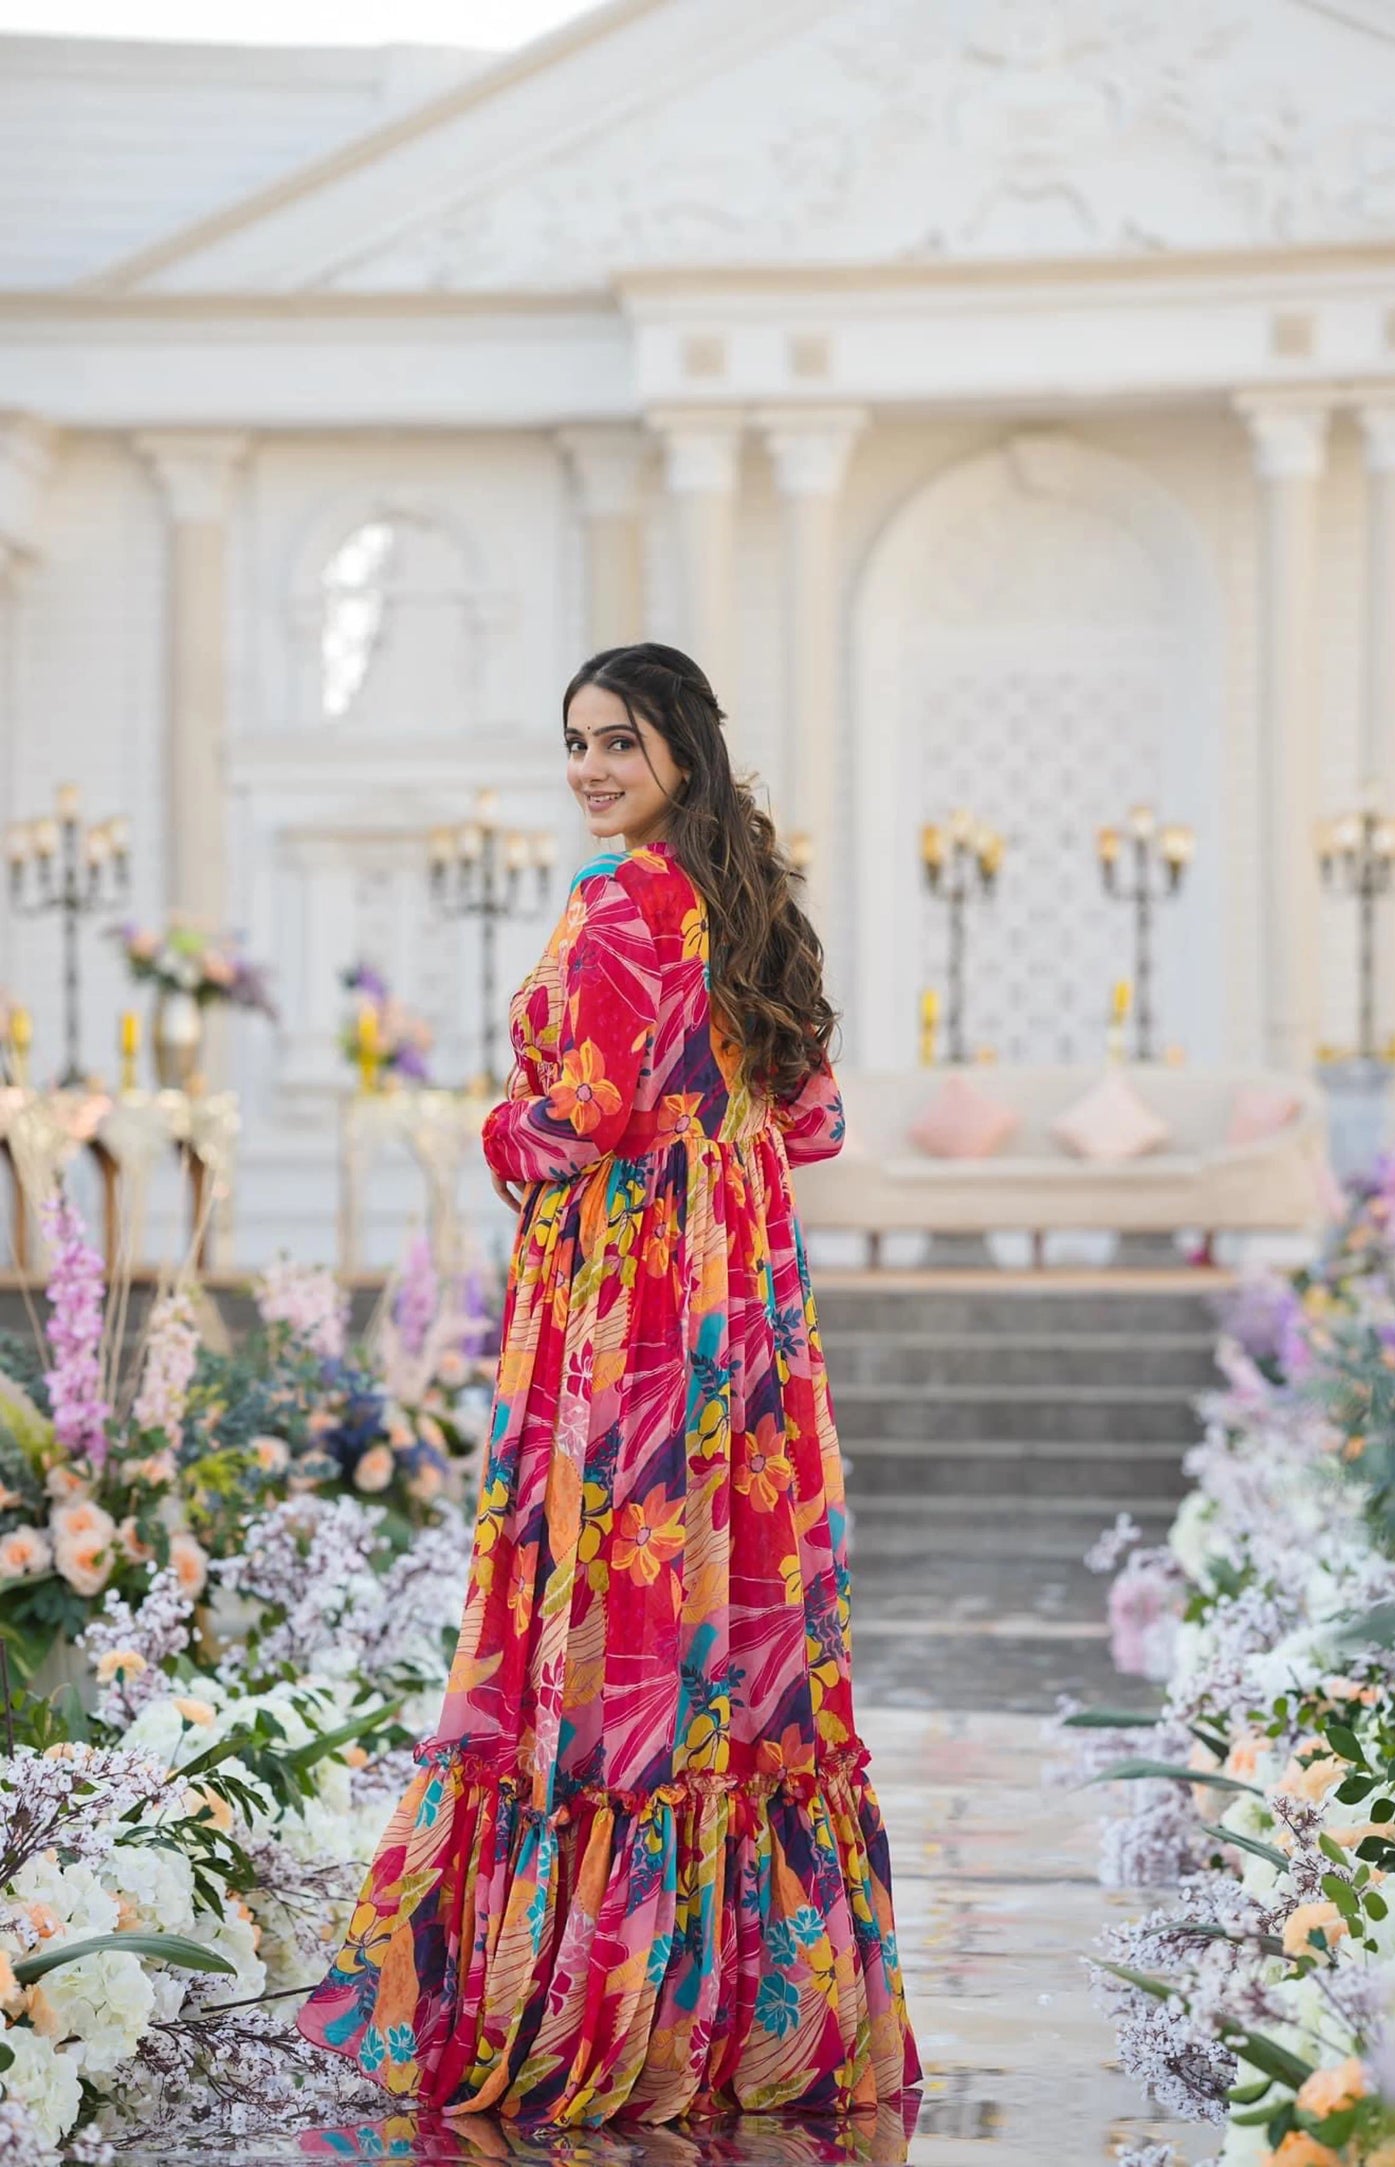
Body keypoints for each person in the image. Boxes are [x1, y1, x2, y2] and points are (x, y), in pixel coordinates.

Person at [298, 643, 920, 2128]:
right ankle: (748, 2020)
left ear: (681, 751)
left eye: (617, 743)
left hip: (631, 1300)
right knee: (723, 1602)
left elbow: (576, 1115)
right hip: (739, 1298)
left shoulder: (615, 899)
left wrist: (501, 1126)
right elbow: (813, 1117)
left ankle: (589, 2005)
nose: (589, 767)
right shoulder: (750, 901)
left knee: (607, 1599)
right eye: (575, 741)